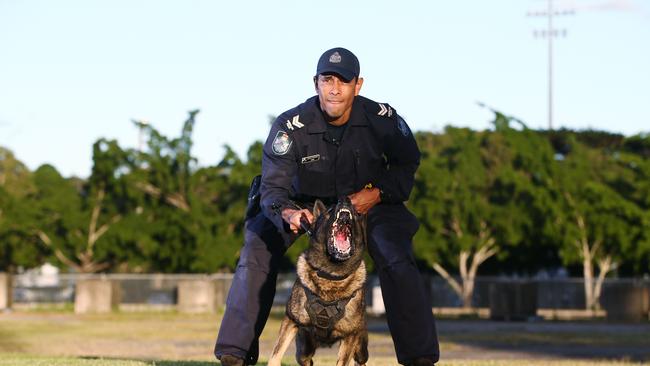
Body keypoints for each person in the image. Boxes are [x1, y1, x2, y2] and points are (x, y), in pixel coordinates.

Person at [214, 47, 439, 366]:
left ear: (358, 85)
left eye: (343, 81)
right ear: (315, 82)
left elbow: (407, 162)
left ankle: (419, 357)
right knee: (257, 248)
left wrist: (378, 192)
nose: (335, 88)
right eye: (327, 79)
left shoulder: (381, 120)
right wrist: (288, 213)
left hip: (365, 202)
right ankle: (234, 353)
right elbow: (272, 188)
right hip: (306, 205)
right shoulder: (290, 125)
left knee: (395, 254)